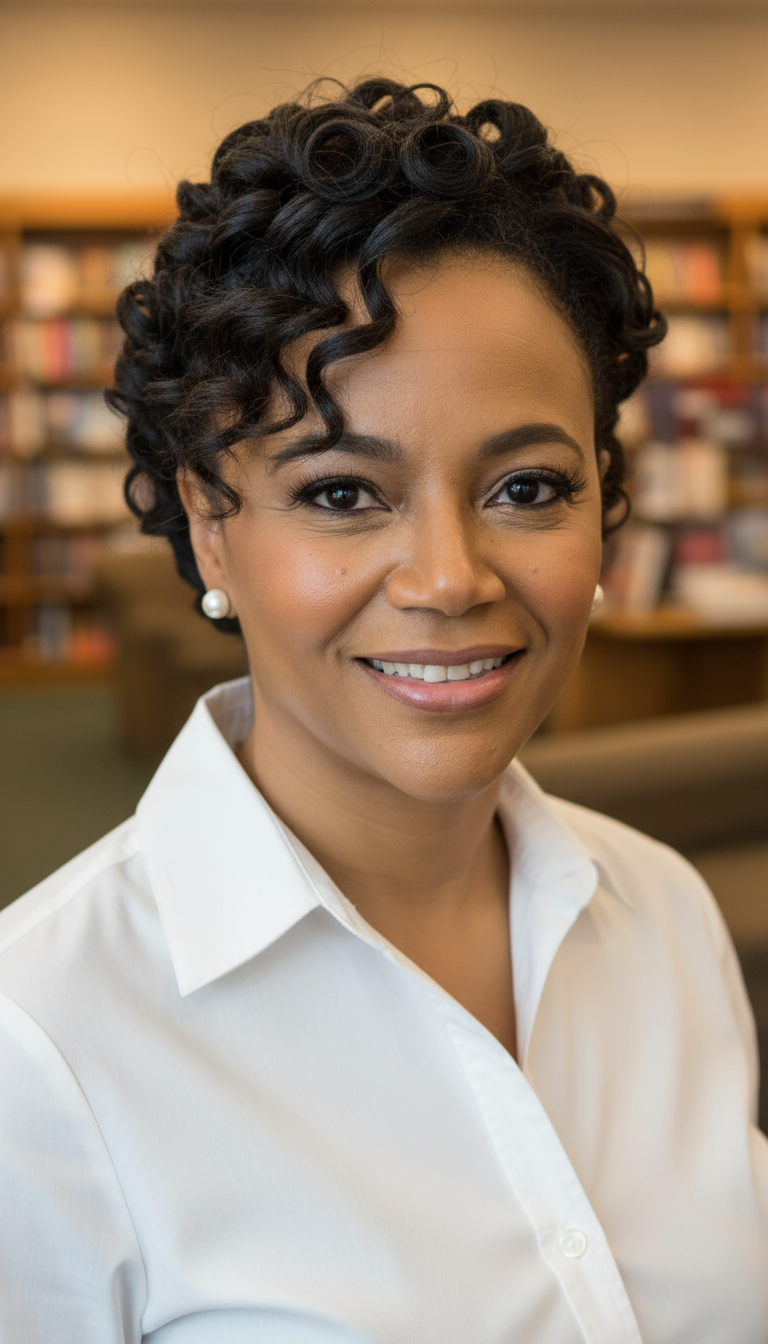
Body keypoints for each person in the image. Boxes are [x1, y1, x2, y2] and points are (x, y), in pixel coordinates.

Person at [0, 78, 765, 1344]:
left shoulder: (664, 915)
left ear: (605, 502)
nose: (450, 579)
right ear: (208, 523)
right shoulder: (40, 1043)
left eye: (527, 487)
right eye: (343, 494)